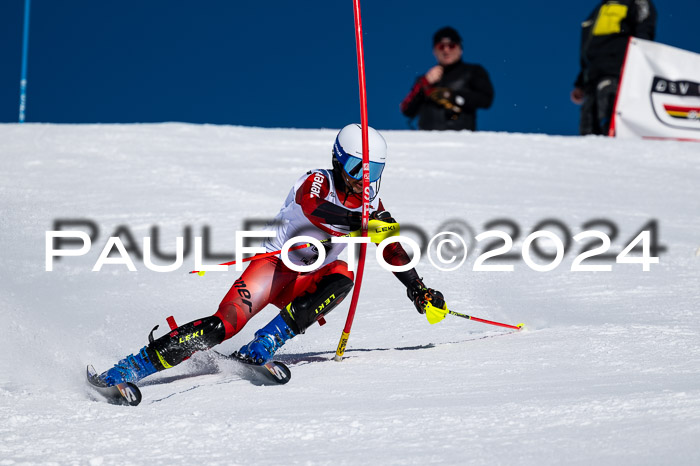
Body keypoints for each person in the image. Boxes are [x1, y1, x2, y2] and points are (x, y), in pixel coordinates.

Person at [97, 124, 447, 386]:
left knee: (342, 277)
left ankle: (265, 342)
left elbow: (390, 246)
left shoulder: (369, 202)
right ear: (339, 162)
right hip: (274, 267)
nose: (364, 179)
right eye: (357, 168)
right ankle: (130, 368)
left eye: (374, 171)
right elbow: (317, 210)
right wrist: (364, 222)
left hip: (308, 280)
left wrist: (417, 288)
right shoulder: (317, 181)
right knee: (223, 326)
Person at [571, 0, 657, 135]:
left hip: (616, 70)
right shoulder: (600, 8)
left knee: (610, 115)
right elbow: (588, 49)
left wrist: (637, 63)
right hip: (592, 77)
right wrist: (581, 82)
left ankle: (616, 149)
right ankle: (589, 154)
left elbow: (644, 33)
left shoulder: (637, 2)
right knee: (588, 125)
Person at [400, 26, 494, 131]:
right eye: (441, 46)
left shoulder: (472, 72)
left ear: (460, 49)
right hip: (426, 141)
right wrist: (424, 83)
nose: (446, 50)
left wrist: (453, 96)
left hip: (460, 140)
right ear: (434, 51)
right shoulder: (425, 80)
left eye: (451, 46)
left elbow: (486, 99)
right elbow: (406, 109)